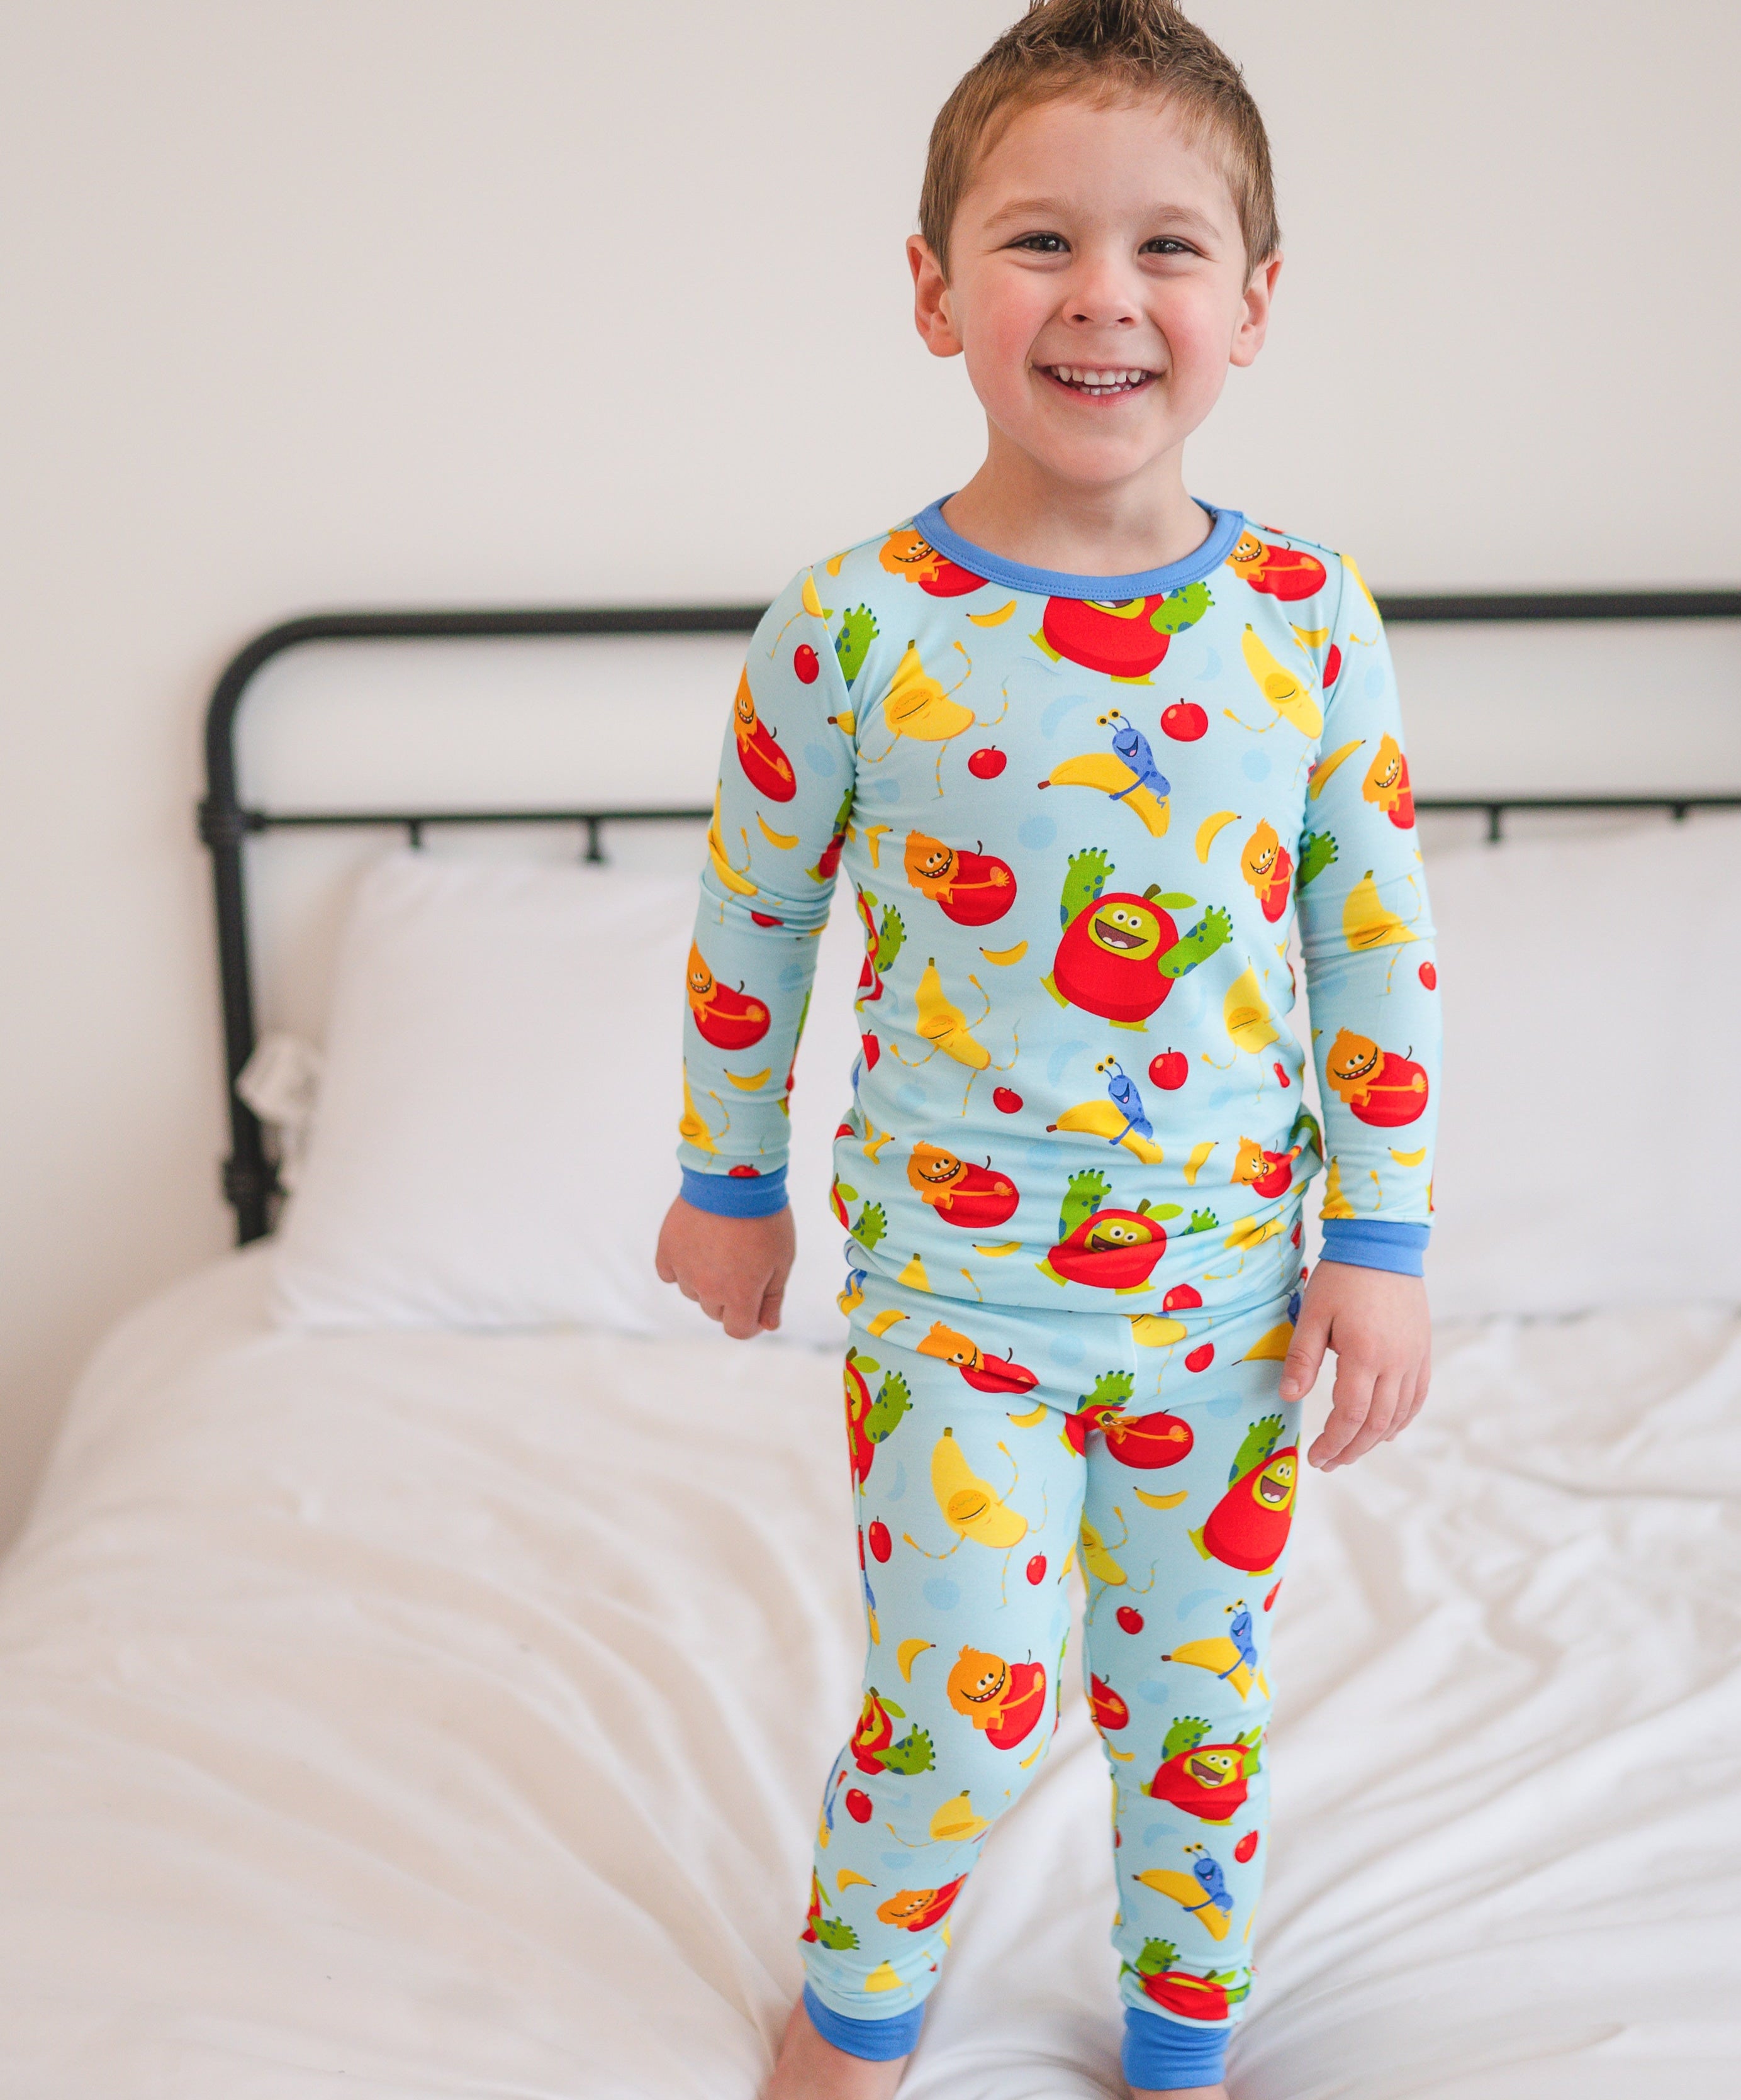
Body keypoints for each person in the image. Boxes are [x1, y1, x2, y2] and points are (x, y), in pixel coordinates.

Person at [654, 4, 1440, 2092]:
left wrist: (1383, 1235)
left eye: (1170, 248)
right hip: (951, 1288)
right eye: (1038, 243)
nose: (1106, 294)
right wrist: (727, 1182)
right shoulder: (849, 626)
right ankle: (854, 2015)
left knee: (1190, 1685)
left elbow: (1374, 957)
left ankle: (1183, 2041)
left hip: (1225, 1291)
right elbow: (758, 928)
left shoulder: (1306, 620)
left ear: (1253, 304)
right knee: (972, 1682)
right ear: (933, 291)